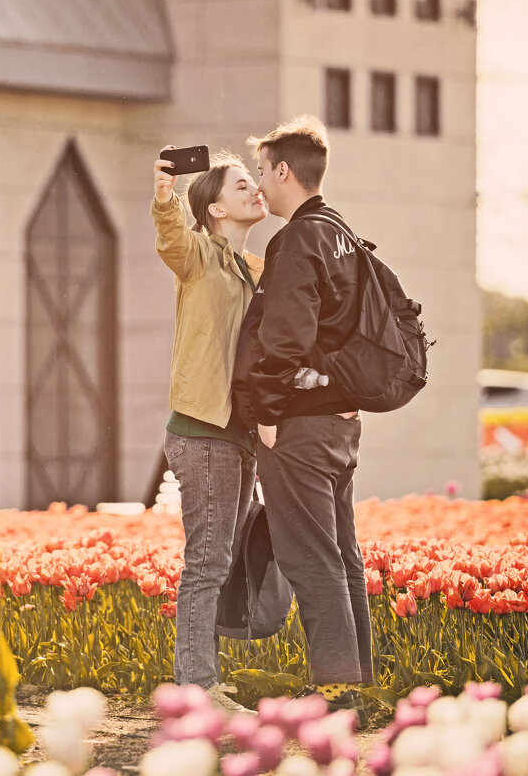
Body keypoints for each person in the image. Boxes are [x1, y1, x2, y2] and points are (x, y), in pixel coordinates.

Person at [243, 116, 371, 719]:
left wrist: (266, 413)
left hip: (300, 422)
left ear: (285, 171)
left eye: (263, 171)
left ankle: (338, 691)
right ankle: (356, 680)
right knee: (342, 555)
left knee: (310, 559)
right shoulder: (341, 232)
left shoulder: (295, 239)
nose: (258, 184)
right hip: (341, 419)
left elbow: (285, 339)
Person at [152, 148, 267, 712]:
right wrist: (164, 191)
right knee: (207, 562)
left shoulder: (256, 268)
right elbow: (171, 235)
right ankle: (196, 689)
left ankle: (198, 682)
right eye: (242, 183)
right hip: (202, 431)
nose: (255, 189)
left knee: (218, 560)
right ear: (216, 208)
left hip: (238, 435)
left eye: (256, 181)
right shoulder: (198, 253)